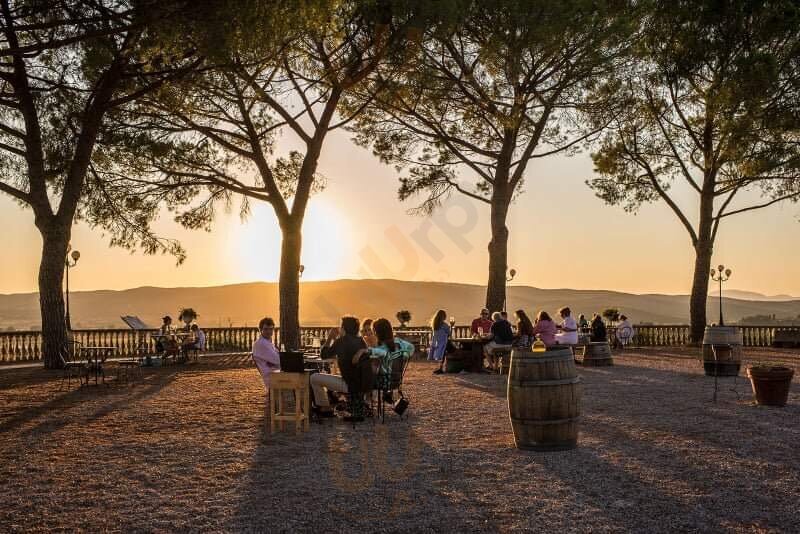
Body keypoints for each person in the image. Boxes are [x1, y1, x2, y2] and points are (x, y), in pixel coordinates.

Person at [311, 316, 368, 419]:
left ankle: (325, 408)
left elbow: (324, 355)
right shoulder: (361, 341)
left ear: (344, 328)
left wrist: (329, 338)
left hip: (348, 385)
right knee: (333, 374)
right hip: (361, 384)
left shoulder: (341, 341)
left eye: (341, 326)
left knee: (314, 377)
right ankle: (330, 404)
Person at [252, 317, 280, 399]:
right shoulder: (261, 344)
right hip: (272, 376)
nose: (269, 332)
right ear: (260, 330)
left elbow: (277, 359)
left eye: (271, 329)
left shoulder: (267, 342)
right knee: (305, 376)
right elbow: (278, 360)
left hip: (275, 372)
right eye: (266, 329)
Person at [428, 309, 451, 374]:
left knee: (443, 353)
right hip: (444, 343)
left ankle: (441, 367)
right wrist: (451, 327)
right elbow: (449, 334)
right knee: (456, 350)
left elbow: (435, 336)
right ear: (443, 316)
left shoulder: (434, 325)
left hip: (438, 343)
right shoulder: (444, 325)